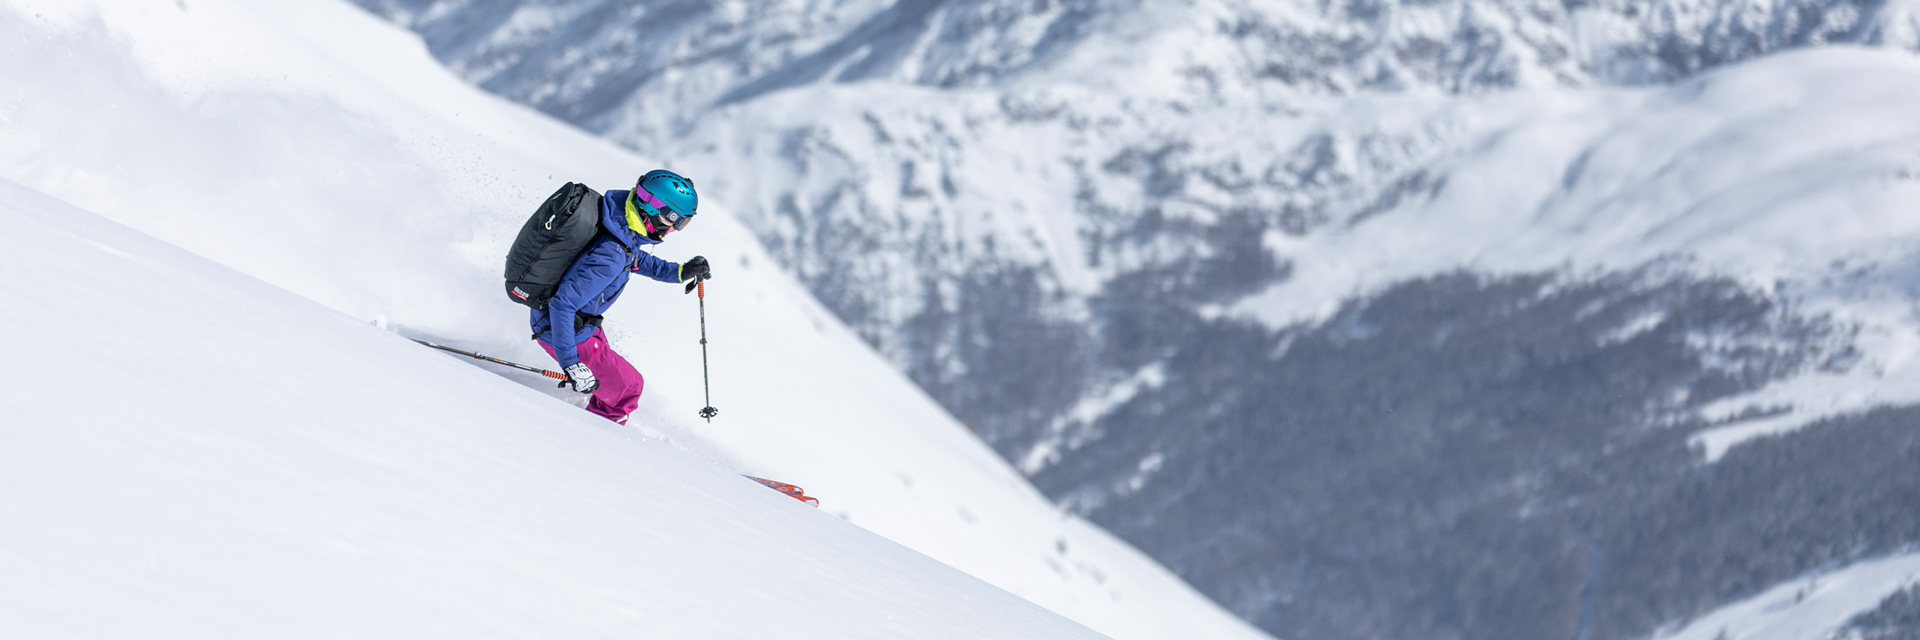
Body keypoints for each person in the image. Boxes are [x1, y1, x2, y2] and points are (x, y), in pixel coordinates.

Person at [532, 169, 712, 424]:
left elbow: (636, 259)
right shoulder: (612, 254)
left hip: (581, 325)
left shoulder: (617, 222)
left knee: (613, 381)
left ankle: (596, 401)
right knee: (629, 389)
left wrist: (681, 272)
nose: (675, 230)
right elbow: (563, 305)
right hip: (565, 331)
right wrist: (571, 364)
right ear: (660, 213)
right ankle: (593, 442)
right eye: (679, 221)